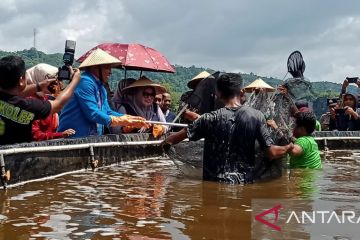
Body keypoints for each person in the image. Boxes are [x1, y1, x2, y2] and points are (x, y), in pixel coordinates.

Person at [163, 73, 293, 184]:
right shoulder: (257, 117)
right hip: (243, 185)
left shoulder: (208, 118)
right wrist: (288, 147)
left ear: (218, 94)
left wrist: (165, 144)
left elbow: (171, 140)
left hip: (213, 185)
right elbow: (271, 152)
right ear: (242, 92)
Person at [58, 49, 148, 138]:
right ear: (95, 67)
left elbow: (107, 112)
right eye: (106, 67)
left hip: (91, 138)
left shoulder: (101, 88)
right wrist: (121, 120)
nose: (110, 71)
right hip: (73, 137)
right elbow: (93, 113)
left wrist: (130, 118)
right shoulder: (85, 81)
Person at [0, 55, 81, 145]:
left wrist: (39, 86)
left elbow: (15, 93)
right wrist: (75, 81)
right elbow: (58, 104)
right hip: (18, 157)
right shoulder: (28, 105)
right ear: (21, 80)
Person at [26, 64, 76, 141]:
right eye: (51, 81)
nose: (54, 85)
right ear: (40, 78)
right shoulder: (30, 101)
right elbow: (35, 134)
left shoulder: (44, 97)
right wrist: (60, 135)